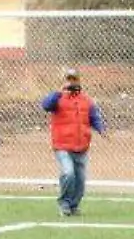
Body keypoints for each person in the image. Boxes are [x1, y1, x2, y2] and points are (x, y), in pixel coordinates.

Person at [41, 68, 105, 216]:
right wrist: (59, 92)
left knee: (80, 180)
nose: (71, 83)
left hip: (81, 146)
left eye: (74, 79)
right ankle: (64, 203)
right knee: (68, 173)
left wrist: (101, 128)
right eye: (68, 79)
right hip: (62, 145)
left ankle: (73, 205)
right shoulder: (57, 99)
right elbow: (45, 105)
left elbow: (94, 116)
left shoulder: (86, 100)